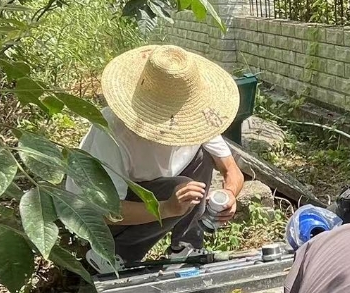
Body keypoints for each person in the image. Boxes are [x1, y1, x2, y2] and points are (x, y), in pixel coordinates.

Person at [66, 44, 245, 268]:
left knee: (202, 158)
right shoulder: (114, 132)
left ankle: (185, 246)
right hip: (95, 211)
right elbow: (103, 211)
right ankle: (112, 255)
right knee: (181, 187)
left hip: (147, 188)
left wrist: (230, 194)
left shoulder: (197, 121)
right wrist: (167, 208)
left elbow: (231, 170)